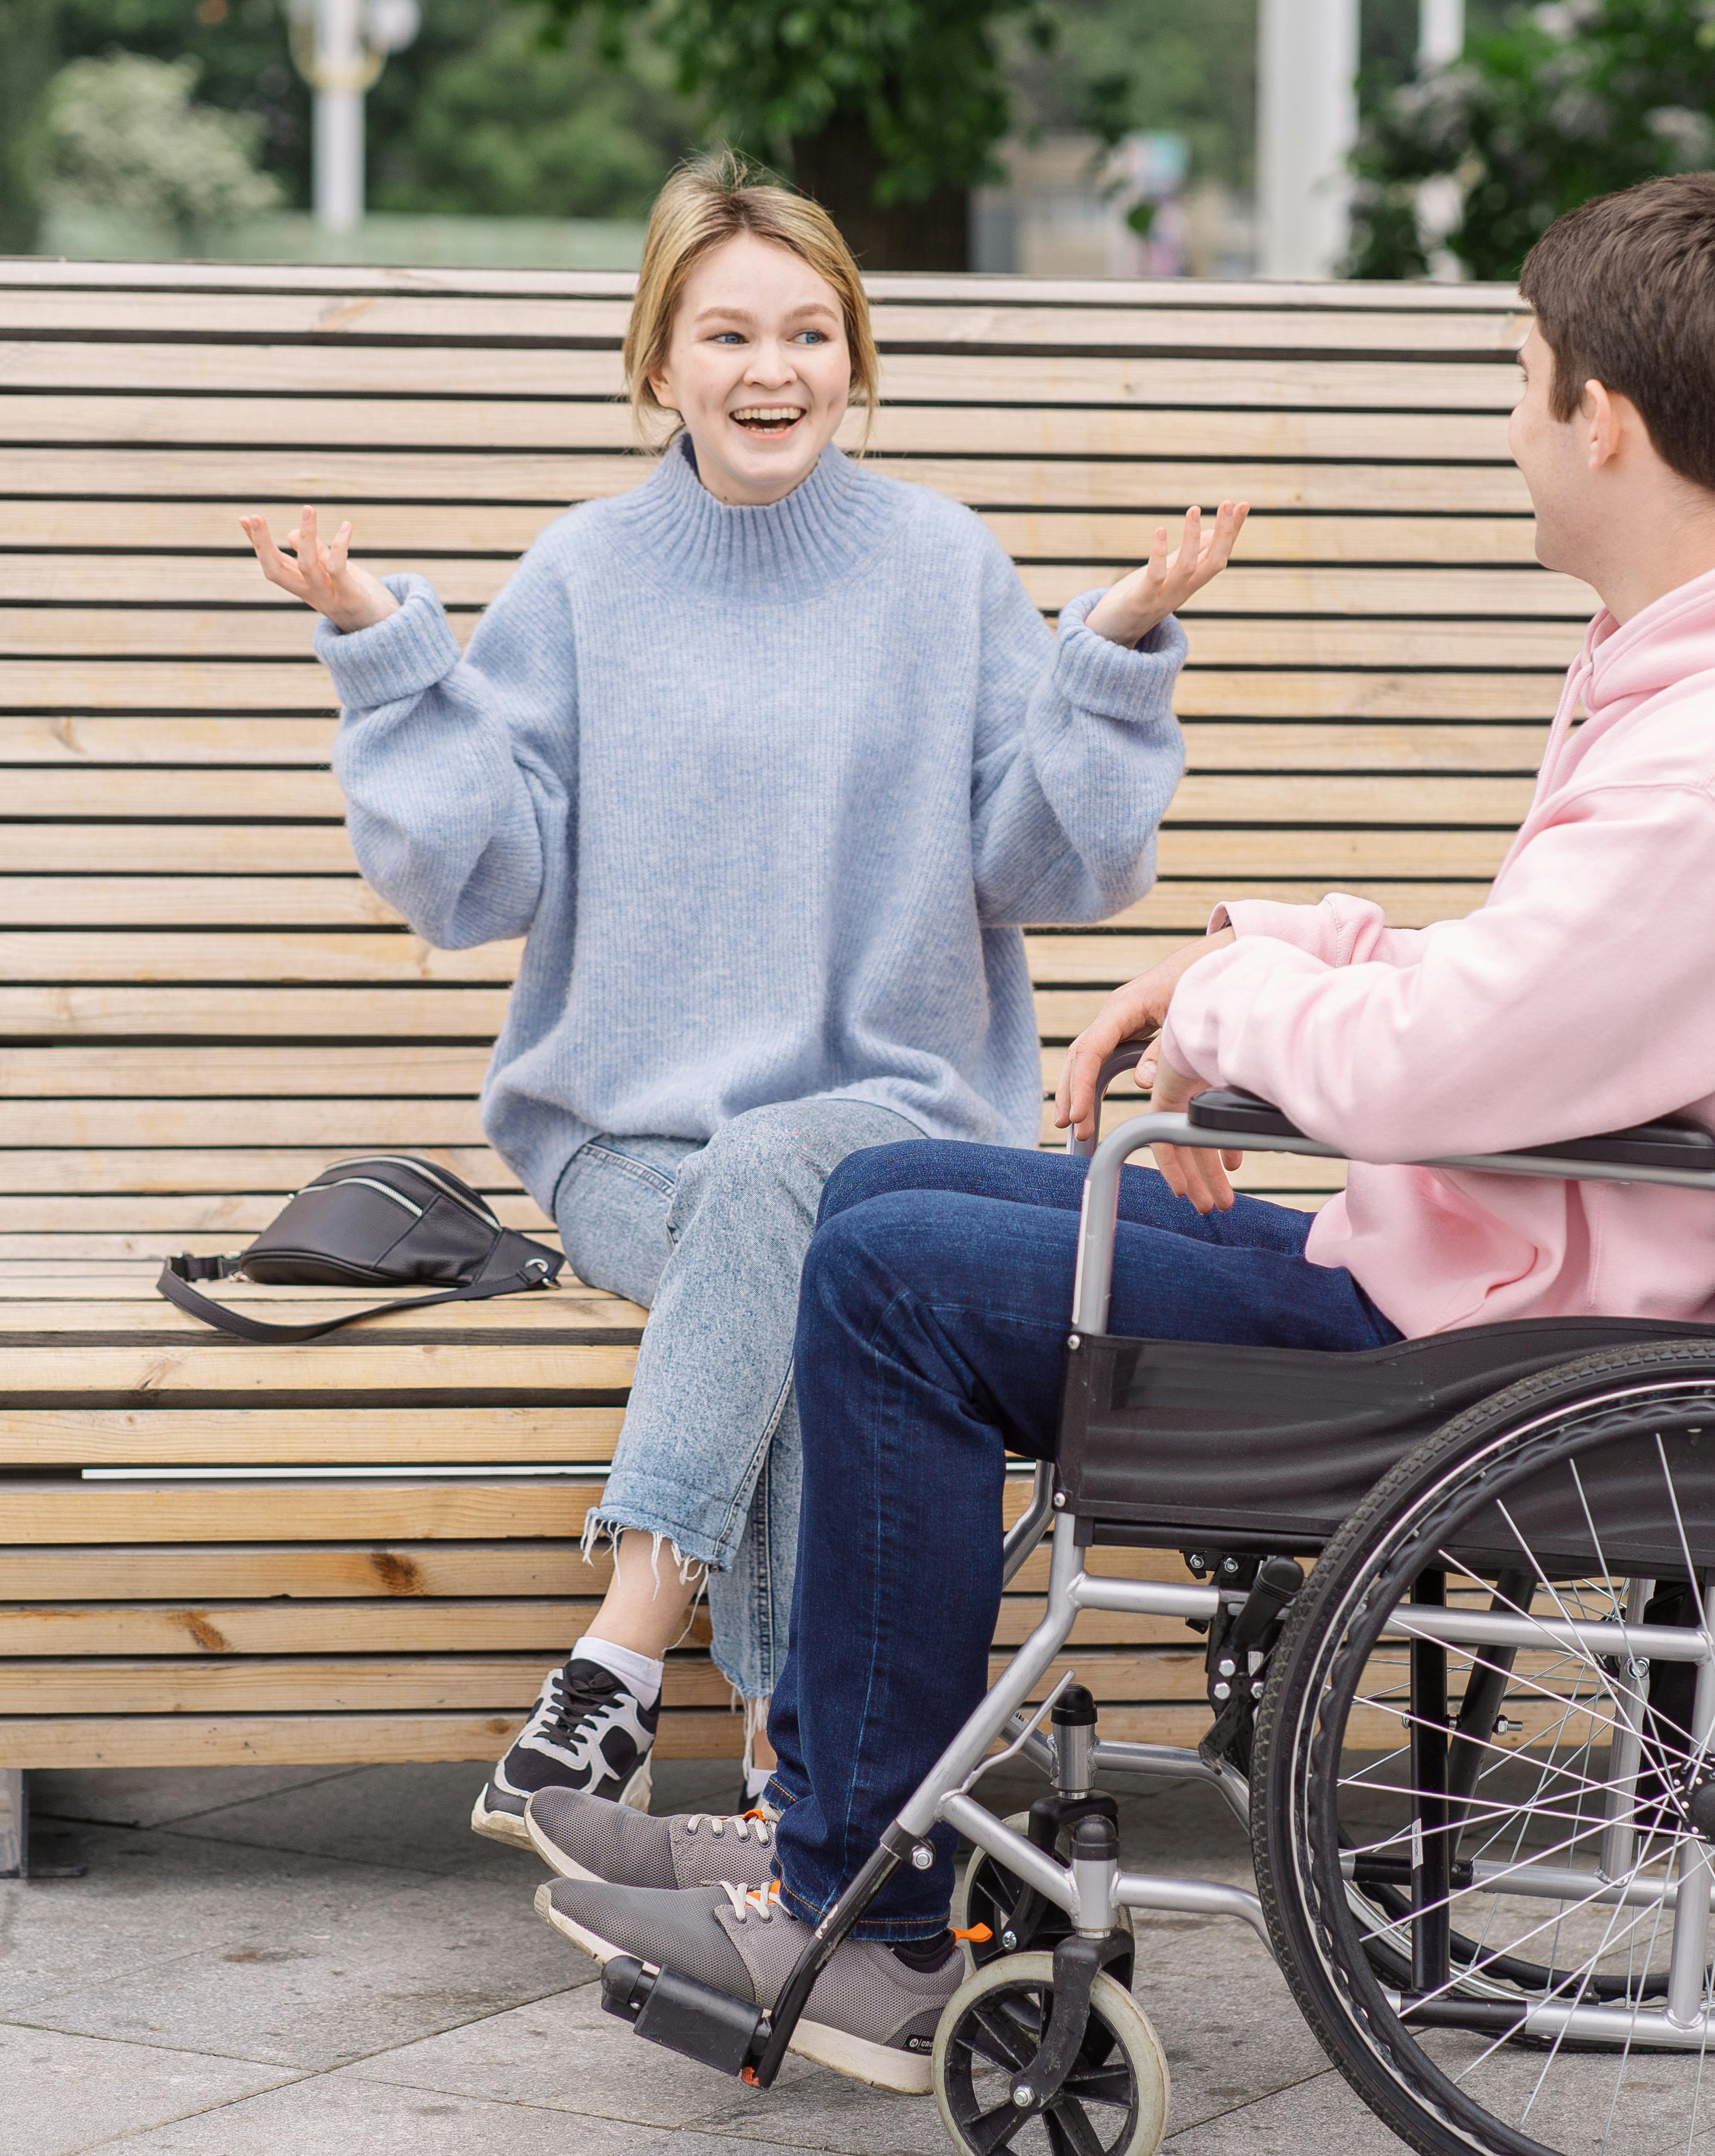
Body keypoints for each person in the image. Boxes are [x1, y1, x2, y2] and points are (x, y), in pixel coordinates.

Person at [517, 171, 1715, 2093]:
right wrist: (1273, 957)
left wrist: (1229, 1014)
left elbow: (1450, 1058)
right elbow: (1541, 991)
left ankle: (856, 1913)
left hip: (1476, 1337)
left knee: (881, 1271)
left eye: (1522, 383)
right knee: (879, 1188)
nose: (1516, 424)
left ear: (1602, 422)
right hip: (1478, 1251)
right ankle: (853, 1831)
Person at [241, 152, 1248, 1848]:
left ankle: (625, 1672)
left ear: (854, 357)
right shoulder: (580, 579)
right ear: (658, 368)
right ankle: (804, 1771)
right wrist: (387, 653)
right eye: (724, 334)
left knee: (799, 1191)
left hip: (902, 1125)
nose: (770, 369)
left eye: (807, 330)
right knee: (782, 1218)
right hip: (626, 1150)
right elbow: (474, 878)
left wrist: (1115, 652)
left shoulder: (941, 568)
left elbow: (1048, 868)